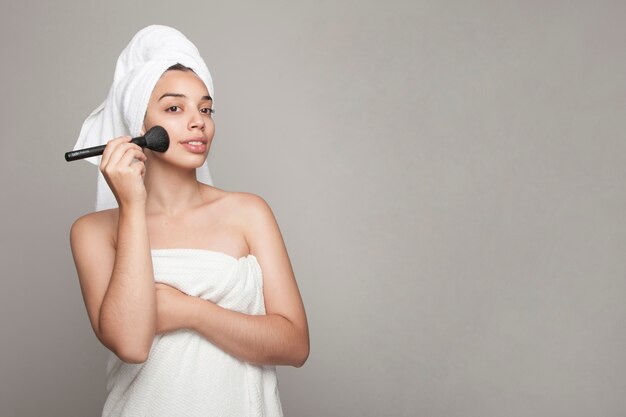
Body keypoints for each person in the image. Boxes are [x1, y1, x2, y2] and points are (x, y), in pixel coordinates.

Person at [68, 25, 309, 416]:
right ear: (139, 127)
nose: (198, 121)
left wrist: (190, 311)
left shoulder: (249, 213)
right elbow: (131, 343)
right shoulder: (93, 232)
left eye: (206, 108)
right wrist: (131, 207)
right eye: (175, 108)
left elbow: (295, 345)